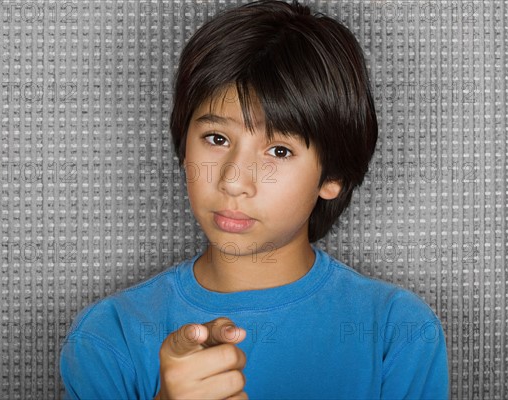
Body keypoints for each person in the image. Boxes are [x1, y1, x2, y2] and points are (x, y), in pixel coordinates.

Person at [60, 0, 449, 398]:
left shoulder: (396, 331)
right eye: (217, 139)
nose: (233, 180)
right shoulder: (110, 336)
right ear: (182, 148)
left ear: (332, 176)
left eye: (279, 151)